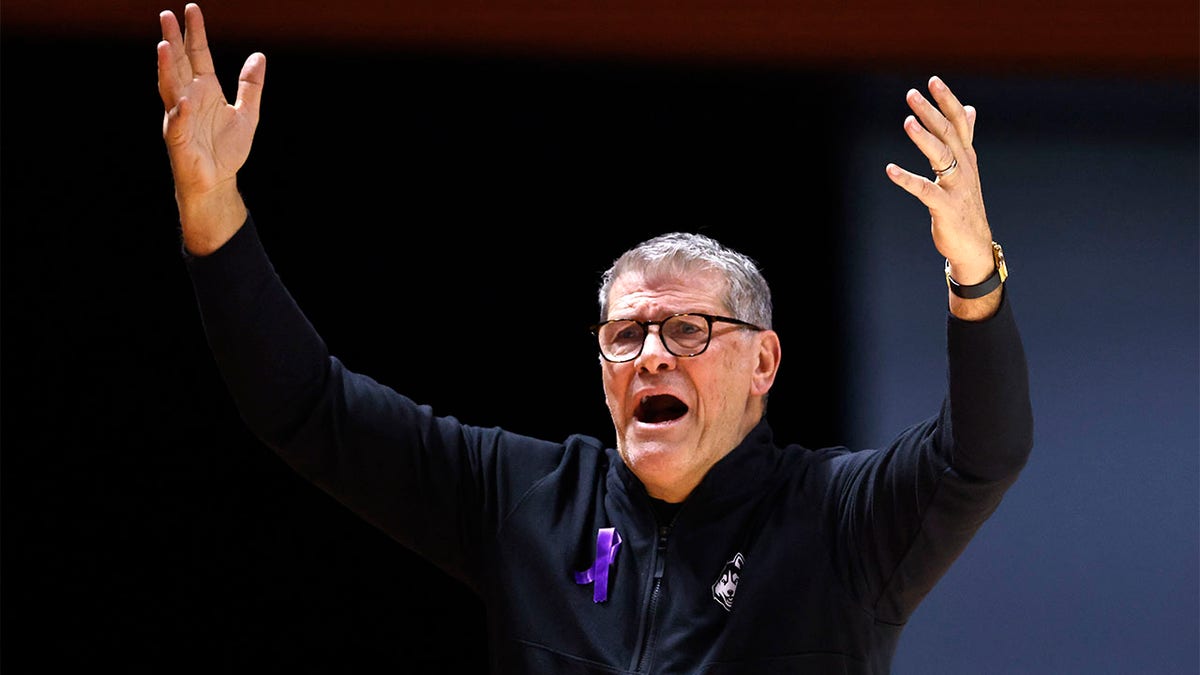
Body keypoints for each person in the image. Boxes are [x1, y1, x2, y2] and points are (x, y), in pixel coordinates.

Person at [158, 4, 1033, 673]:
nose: (652, 352)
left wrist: (972, 273)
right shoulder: (527, 500)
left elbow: (981, 455)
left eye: (689, 327)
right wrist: (212, 210)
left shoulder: (839, 520)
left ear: (763, 360)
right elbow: (304, 407)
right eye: (625, 333)